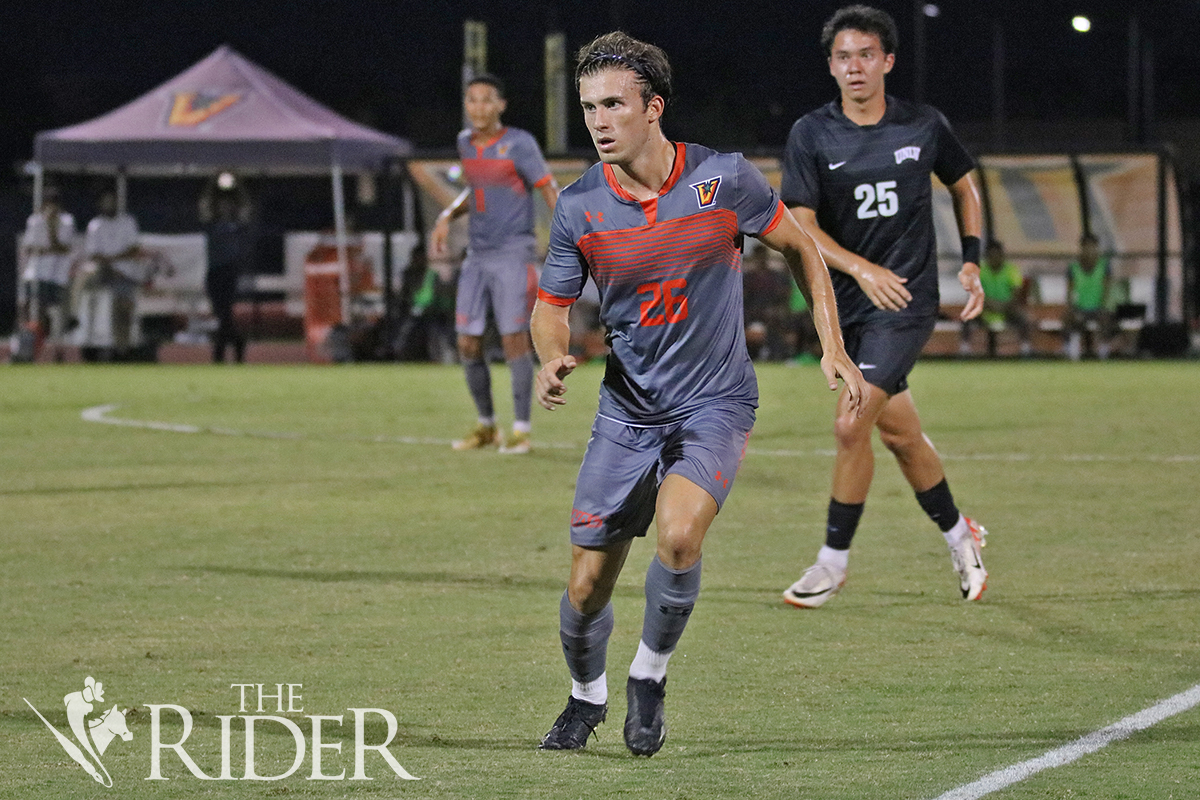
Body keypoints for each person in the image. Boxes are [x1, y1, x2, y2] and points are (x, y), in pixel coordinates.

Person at [532, 31, 865, 756]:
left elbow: (801, 247)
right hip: (626, 411)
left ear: (653, 108)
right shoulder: (579, 206)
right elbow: (551, 305)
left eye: (613, 103)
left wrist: (831, 343)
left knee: (681, 535)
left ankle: (648, 677)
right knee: (587, 585)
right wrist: (551, 357)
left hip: (714, 401)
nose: (598, 120)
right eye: (589, 106)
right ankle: (586, 696)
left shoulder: (723, 179)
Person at [780, 5, 990, 609]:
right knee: (899, 433)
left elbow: (965, 182)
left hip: (905, 301)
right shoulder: (812, 134)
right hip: (847, 303)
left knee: (851, 423)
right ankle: (959, 533)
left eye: (866, 55)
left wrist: (971, 258)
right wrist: (859, 268)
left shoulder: (922, 125)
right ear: (831, 66)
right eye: (843, 57)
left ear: (887, 61)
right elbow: (800, 224)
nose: (855, 67)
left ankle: (831, 564)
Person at [430, 73, 560, 454]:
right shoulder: (465, 144)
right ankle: (488, 426)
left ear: (501, 105)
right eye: (472, 100)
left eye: (487, 100)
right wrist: (447, 216)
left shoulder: (519, 144)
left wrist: (569, 236)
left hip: (513, 254)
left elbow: (548, 188)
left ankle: (521, 430)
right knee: (467, 343)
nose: (479, 107)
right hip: (477, 255)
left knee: (512, 339)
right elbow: (476, 188)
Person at [19, 187, 77, 361]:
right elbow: (29, 247)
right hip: (35, 273)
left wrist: (51, 230)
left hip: (56, 276)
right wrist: (46, 249)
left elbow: (63, 248)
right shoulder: (35, 221)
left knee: (50, 312)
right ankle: (26, 342)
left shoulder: (66, 221)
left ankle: (50, 347)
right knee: (26, 306)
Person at [83, 192, 143, 359]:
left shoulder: (127, 222)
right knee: (84, 284)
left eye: (112, 201)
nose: (109, 205)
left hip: (125, 273)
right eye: (106, 201)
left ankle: (122, 349)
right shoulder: (96, 224)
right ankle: (85, 337)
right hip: (103, 271)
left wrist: (114, 262)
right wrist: (111, 264)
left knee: (123, 306)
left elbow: (134, 249)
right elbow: (93, 254)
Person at [199, 181, 252, 363]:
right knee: (220, 312)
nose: (225, 207)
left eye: (228, 204)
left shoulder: (237, 224)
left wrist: (238, 181)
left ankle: (219, 353)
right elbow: (204, 206)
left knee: (225, 312)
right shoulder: (212, 224)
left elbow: (246, 207)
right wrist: (212, 182)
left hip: (230, 271)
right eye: (222, 204)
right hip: (214, 272)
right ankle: (237, 342)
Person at [959, 239, 1032, 357]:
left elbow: (1017, 293)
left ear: (1002, 255)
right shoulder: (979, 270)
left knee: (1023, 318)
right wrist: (989, 304)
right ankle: (964, 349)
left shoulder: (1011, 270)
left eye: (997, 255)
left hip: (1007, 309)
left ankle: (1025, 348)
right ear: (987, 256)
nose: (995, 258)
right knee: (967, 317)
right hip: (985, 308)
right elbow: (974, 293)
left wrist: (1003, 306)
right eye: (992, 255)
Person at [1062, 232, 1114, 360]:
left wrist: (1103, 307)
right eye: (1086, 247)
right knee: (1069, 318)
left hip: (1098, 308)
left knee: (1105, 318)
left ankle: (1103, 351)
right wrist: (1072, 308)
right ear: (1081, 248)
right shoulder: (1073, 267)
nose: (1089, 250)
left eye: (1092, 246)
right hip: (1080, 307)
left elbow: (1107, 290)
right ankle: (1071, 350)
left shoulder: (1104, 266)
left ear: (1097, 248)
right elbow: (1069, 292)